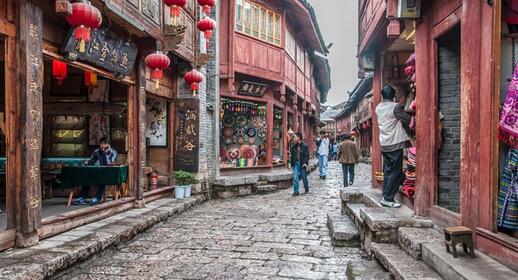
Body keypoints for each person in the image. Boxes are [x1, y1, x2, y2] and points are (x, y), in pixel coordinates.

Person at [375, 85, 411, 208]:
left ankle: (385, 196)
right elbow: (406, 119)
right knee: (396, 172)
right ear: (393, 95)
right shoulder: (395, 107)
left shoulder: (378, 107)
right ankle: (388, 198)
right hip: (395, 143)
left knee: (388, 171)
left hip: (384, 143)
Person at [73, 137, 118, 206]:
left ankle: (97, 198)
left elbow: (109, 164)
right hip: (98, 172)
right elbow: (91, 162)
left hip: (109, 173)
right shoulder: (96, 152)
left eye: (105, 144)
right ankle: (82, 197)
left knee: (103, 179)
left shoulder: (113, 152)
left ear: (108, 145)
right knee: (88, 176)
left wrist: (105, 153)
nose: (102, 145)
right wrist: (86, 163)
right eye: (101, 144)